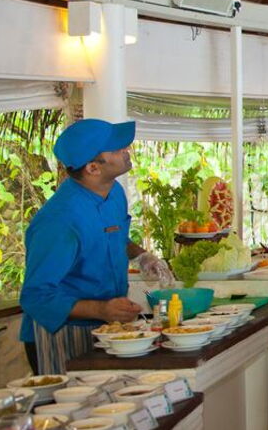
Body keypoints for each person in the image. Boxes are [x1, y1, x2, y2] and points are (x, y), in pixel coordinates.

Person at [20, 118, 171, 374]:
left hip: (105, 327)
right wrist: (101, 309)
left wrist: (143, 256)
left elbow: (114, 237)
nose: (126, 150)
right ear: (92, 168)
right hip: (61, 334)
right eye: (116, 149)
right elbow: (36, 297)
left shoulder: (114, 193)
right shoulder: (58, 221)